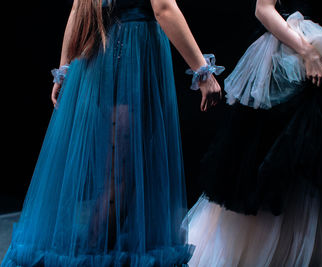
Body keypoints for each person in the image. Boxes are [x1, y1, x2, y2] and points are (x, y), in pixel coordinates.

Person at [1, 0, 223, 266]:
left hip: (108, 57)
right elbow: (163, 8)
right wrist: (202, 71)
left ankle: (95, 251)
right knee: (120, 175)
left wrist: (64, 70)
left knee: (122, 173)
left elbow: (76, 9)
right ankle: (89, 255)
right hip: (129, 58)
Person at [186, 0, 322, 266]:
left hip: (313, 52)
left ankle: (300, 254)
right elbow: (263, 9)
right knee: (271, 169)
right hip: (286, 57)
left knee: (314, 170)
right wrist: (307, 51)